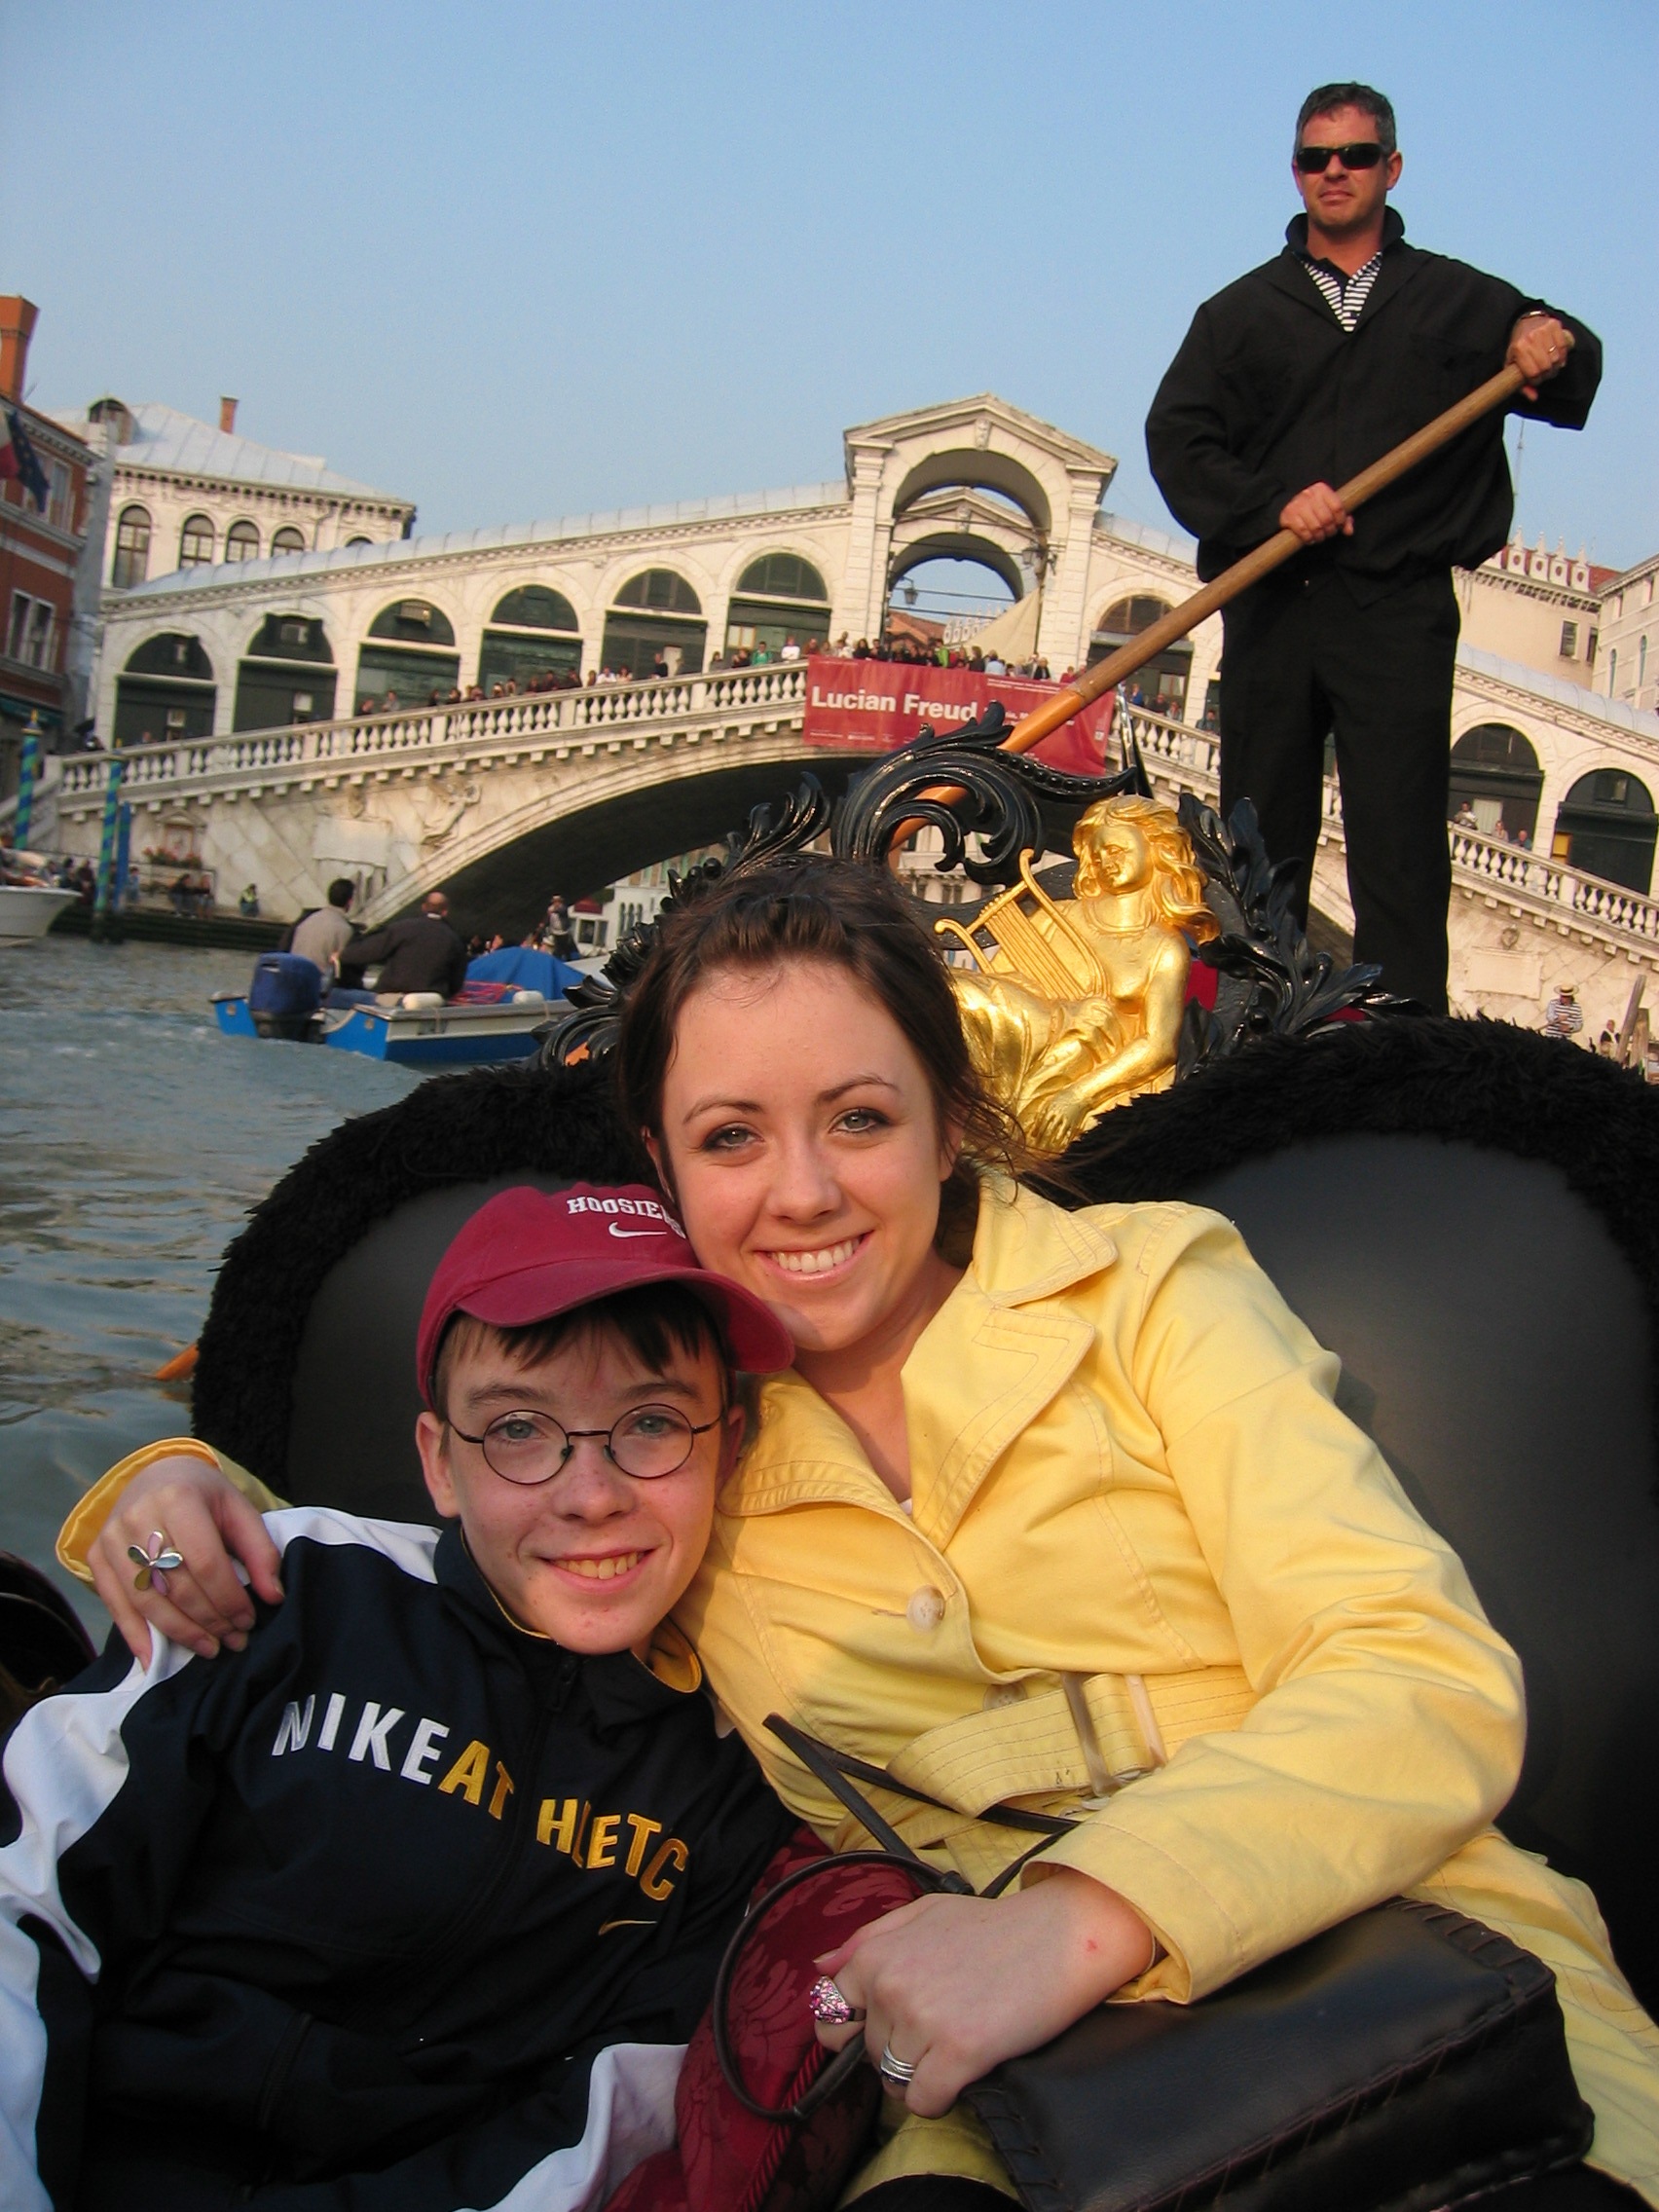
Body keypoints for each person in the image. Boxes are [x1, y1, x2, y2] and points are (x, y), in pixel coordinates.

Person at [70, 859, 1659, 2208]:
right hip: (991, 2067)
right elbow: (477, 1545)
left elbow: (1415, 1670)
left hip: (1403, 1929)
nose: (803, 1193)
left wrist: (1074, 1921)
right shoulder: (682, 1434)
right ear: (665, 1167)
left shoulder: (1153, 1290)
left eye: (854, 1116)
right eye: (731, 1138)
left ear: (947, 1117)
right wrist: (165, 1497)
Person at [4, 1183, 794, 2209]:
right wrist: (144, 1519)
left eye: (650, 1422)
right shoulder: (286, 1586)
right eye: (518, 1428)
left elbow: (598, 2122)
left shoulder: (727, 1787)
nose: (591, 1494)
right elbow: (30, 1896)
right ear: (439, 1464)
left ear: (728, 1445)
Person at [1145, 82, 1601, 1015]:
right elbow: (1179, 441)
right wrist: (1275, 505)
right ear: (1297, 172)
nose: (1335, 173)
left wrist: (1544, 335)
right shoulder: (1236, 316)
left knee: (1399, 842)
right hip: (1275, 598)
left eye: (1355, 156)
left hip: (1398, 605)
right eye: (1317, 158)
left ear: (1391, 169)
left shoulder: (1462, 301)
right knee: (1258, 837)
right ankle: (1250, 1034)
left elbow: (1571, 360)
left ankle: (1402, 1053)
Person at [336, 888, 467, 1000]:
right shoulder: (454, 940)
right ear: (445, 912)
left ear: (423, 908)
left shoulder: (402, 928)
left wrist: (342, 955)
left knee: (336, 995)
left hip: (392, 996)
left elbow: (370, 951)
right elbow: (456, 982)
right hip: (429, 999)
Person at [289, 875, 358, 974]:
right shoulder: (345, 929)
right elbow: (341, 966)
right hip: (316, 981)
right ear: (350, 902)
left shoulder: (307, 920)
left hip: (293, 974)